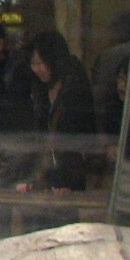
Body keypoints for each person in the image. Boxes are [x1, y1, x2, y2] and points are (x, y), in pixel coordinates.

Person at [22, 30, 97, 193]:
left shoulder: (75, 87)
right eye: (33, 64)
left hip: (73, 176)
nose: (36, 69)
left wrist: (67, 181)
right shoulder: (39, 88)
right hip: (46, 174)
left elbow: (79, 139)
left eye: (41, 63)